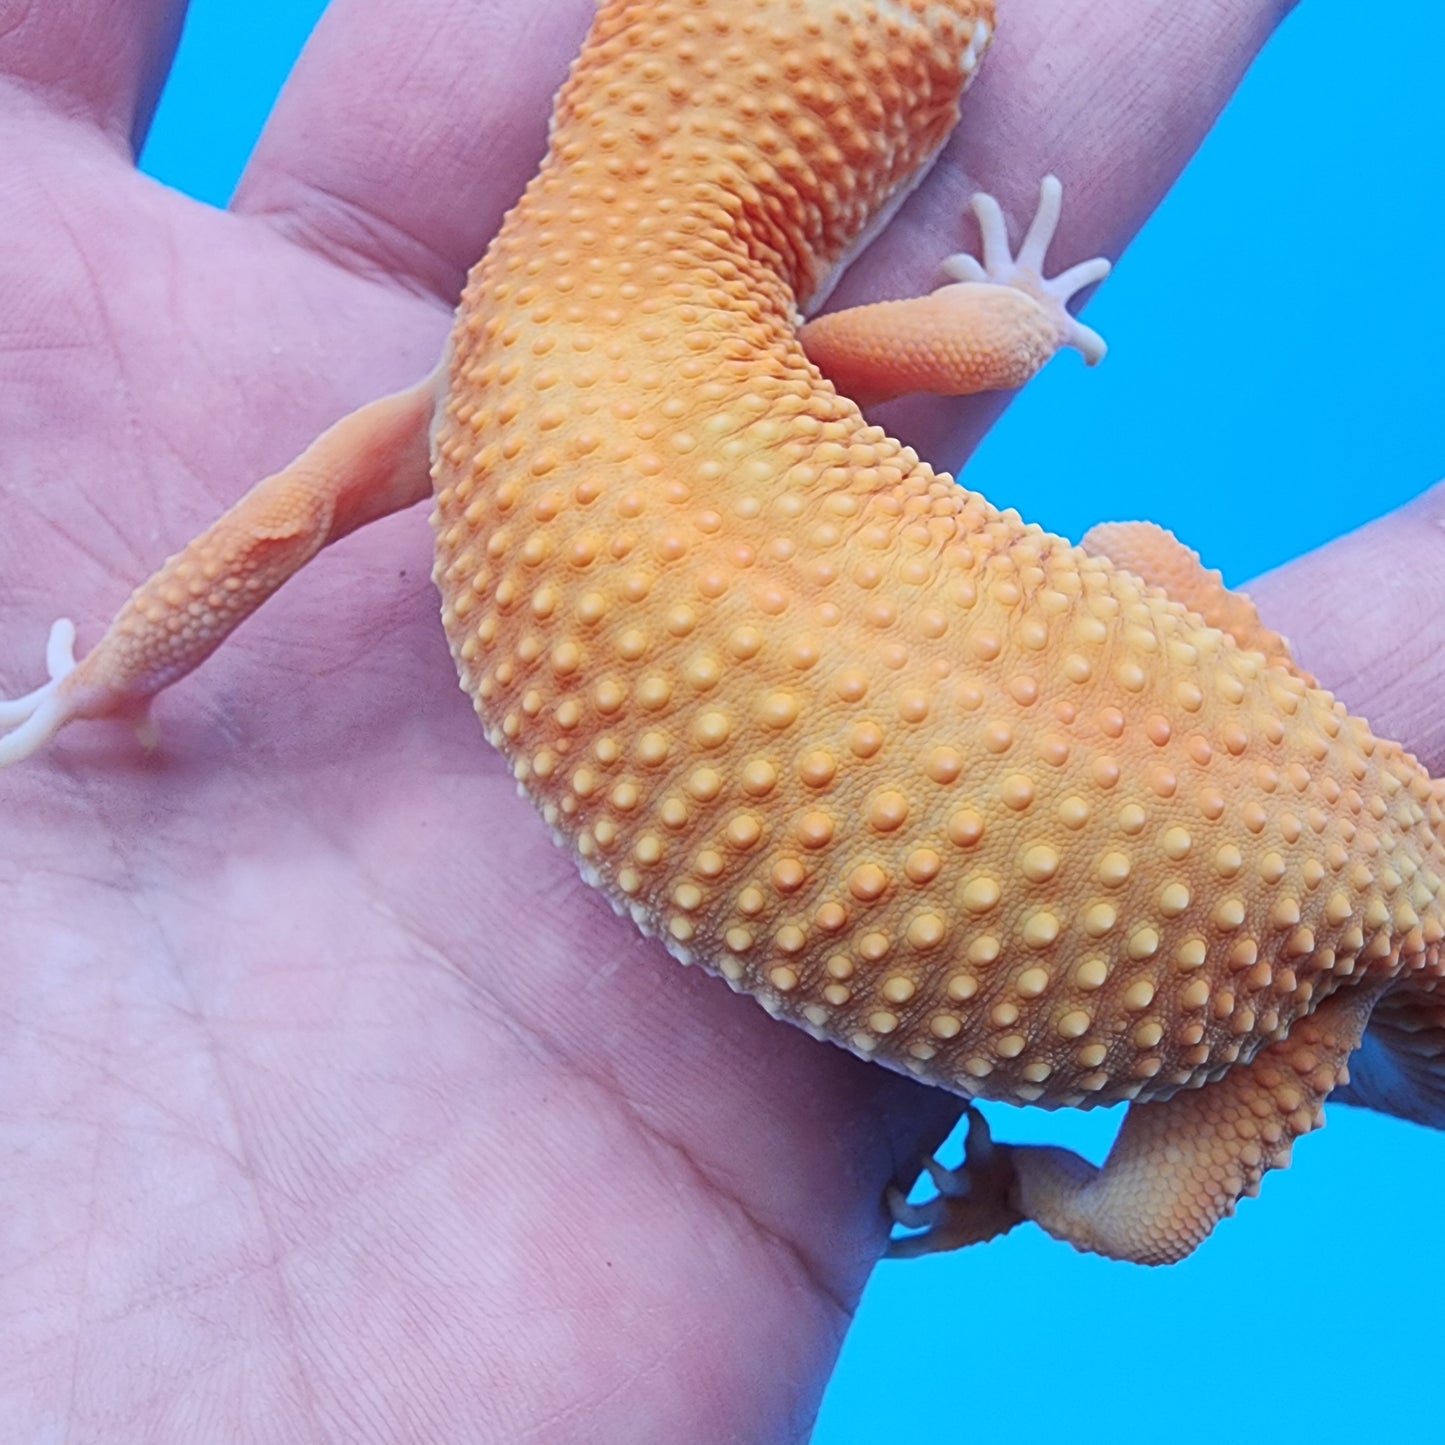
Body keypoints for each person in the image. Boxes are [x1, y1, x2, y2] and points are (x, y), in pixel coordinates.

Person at [3, 0, 1441, 1437]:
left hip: (1262, 880)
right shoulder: (720, 345)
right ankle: (1036, 1155)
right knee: (1132, 1207)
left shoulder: (501, 358)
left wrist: (101, 679)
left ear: (609, 65)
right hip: (1272, 822)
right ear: (879, 155)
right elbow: (995, 348)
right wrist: (1012, 310)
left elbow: (281, 519)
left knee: (1126, 582)